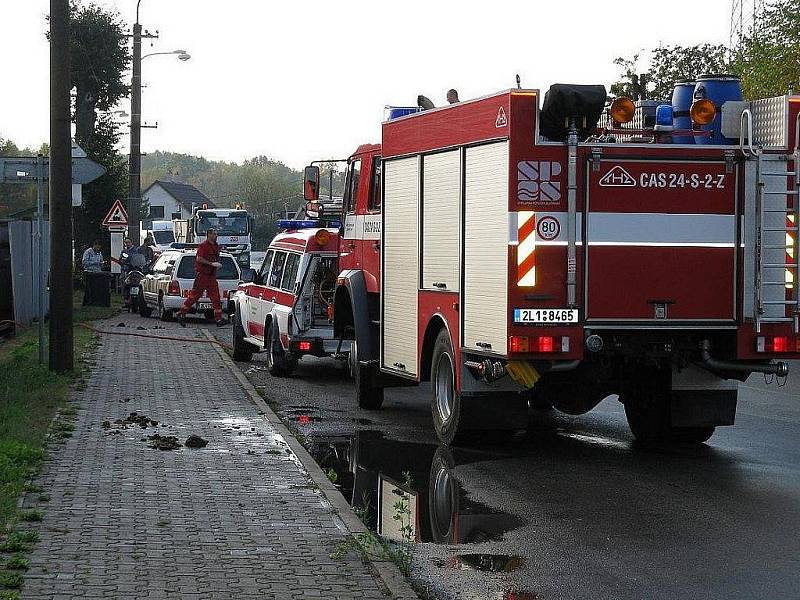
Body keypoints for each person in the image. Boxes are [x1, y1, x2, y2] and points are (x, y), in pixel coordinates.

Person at [177, 228, 226, 327]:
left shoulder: (216, 246)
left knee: (216, 297)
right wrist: (212, 264)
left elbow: (216, 257)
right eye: (214, 234)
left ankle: (218, 319)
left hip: (211, 276)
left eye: (216, 234)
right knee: (195, 296)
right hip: (203, 275)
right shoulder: (203, 246)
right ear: (209, 235)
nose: (216, 236)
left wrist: (216, 264)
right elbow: (199, 259)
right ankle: (181, 313)